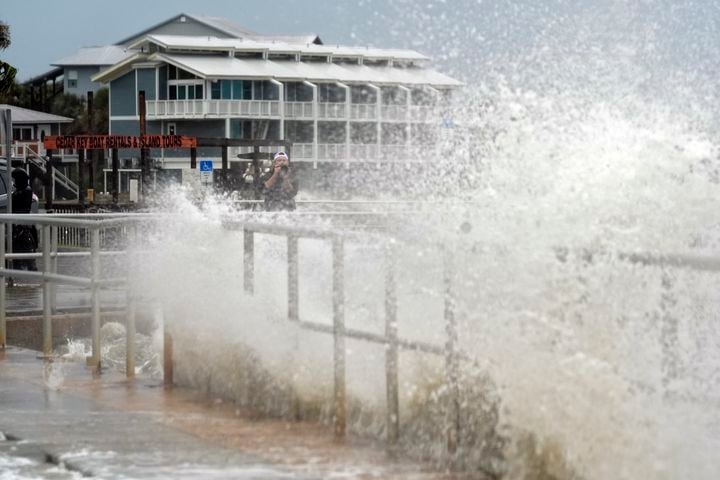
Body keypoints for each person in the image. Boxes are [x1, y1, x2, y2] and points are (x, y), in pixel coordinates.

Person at [10, 169, 38, 271]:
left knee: (24, 243)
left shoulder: (26, 191)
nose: (14, 182)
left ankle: (30, 264)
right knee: (19, 244)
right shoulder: (19, 191)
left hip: (21, 221)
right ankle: (20, 264)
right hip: (18, 220)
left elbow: (20, 205)